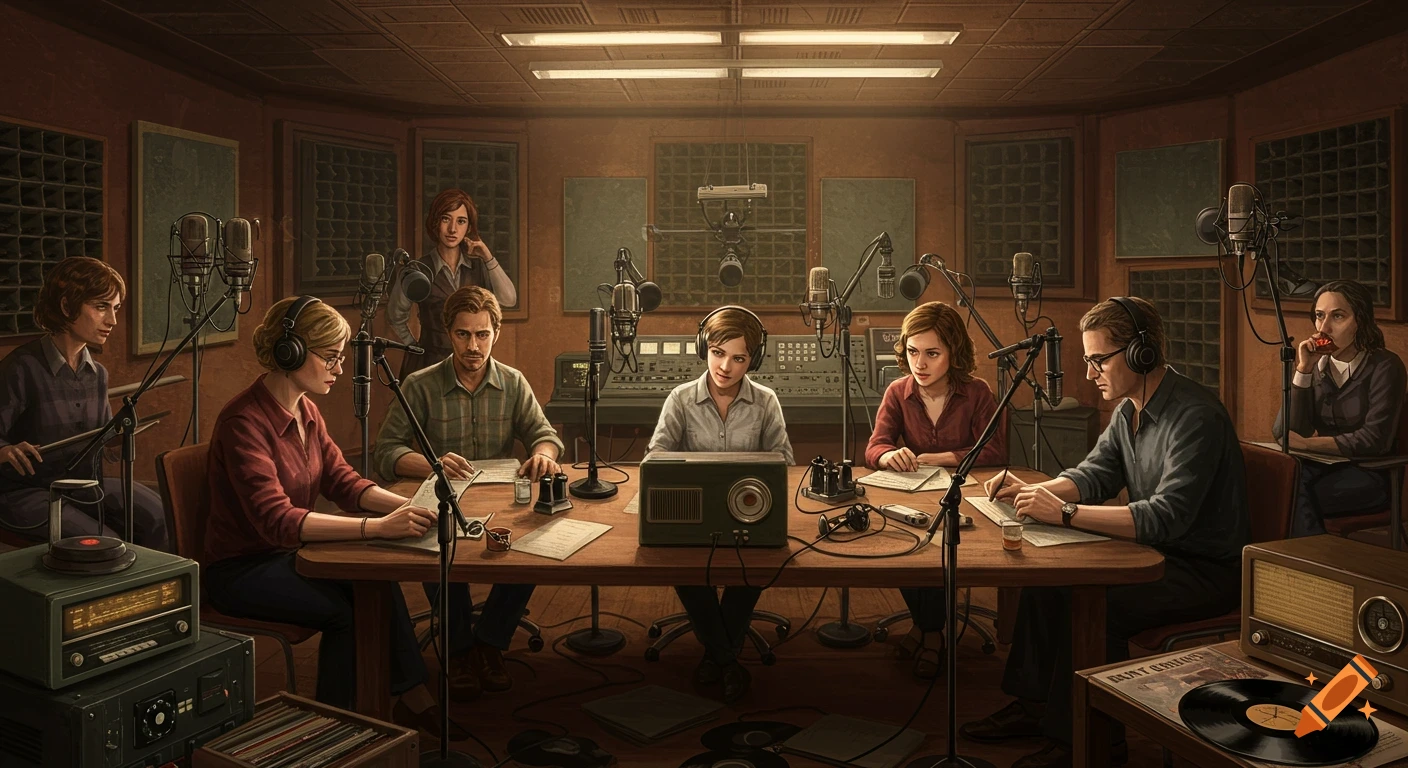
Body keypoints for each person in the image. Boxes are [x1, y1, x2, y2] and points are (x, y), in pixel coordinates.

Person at [963, 297, 1249, 768]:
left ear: (1141, 352)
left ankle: (1089, 742)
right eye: (1087, 360)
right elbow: (1094, 474)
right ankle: (1034, 708)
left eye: (1099, 360)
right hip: (1152, 552)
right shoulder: (1128, 410)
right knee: (1047, 579)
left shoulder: (1196, 416)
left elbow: (1166, 517)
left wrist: (1064, 513)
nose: (1090, 372)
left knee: (1096, 605)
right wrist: (1033, 491)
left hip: (1203, 571)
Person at [203, 296, 449, 733]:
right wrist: (378, 528)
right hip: (240, 570)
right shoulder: (244, 422)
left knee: (376, 582)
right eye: (331, 357)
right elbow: (278, 521)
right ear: (290, 351)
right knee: (345, 613)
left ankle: (409, 697)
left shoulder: (306, 410)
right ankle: (333, 725)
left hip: (289, 555)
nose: (339, 368)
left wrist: (413, 507)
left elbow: (343, 482)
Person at [375, 285, 562, 701]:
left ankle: (491, 642)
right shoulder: (420, 384)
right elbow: (385, 452)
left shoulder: (513, 382)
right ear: (448, 333)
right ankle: (458, 650)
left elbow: (545, 435)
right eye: (463, 334)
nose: (473, 346)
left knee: (537, 549)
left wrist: (543, 455)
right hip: (441, 503)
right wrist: (432, 464)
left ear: (496, 333)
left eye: (482, 334)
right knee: (438, 549)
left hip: (500, 506)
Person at [646, 306, 793, 704]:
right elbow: (656, 459)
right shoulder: (680, 399)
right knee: (681, 559)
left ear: (753, 360)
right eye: (717, 353)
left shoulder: (766, 401)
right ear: (703, 348)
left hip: (750, 512)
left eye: (739, 358)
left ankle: (717, 656)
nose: (725, 367)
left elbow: (783, 463)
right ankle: (727, 659)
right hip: (692, 516)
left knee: (759, 560)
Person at [863, 301, 1006, 678]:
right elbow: (875, 446)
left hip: (963, 501)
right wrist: (888, 455)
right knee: (901, 548)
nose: (919, 364)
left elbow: (995, 450)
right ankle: (930, 631)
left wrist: (944, 457)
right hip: (912, 498)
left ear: (953, 352)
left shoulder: (977, 392)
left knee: (940, 551)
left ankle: (926, 632)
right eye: (913, 352)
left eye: (932, 353)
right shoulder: (898, 391)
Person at [0, 257, 167, 549]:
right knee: (106, 543)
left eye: (115, 308)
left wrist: (115, 439)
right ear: (67, 307)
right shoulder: (20, 368)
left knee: (160, 517)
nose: (112, 320)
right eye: (101, 307)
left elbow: (100, 441)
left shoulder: (97, 373)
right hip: (29, 493)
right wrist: (6, 450)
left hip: (86, 484)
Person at [1273, 279, 1406, 537]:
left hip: (1370, 473)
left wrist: (1307, 445)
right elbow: (1286, 431)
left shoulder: (1385, 366)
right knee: (1279, 482)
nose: (1324, 328)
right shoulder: (1316, 366)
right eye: (1319, 316)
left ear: (1360, 321)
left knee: (1292, 493)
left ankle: (1308, 556)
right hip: (1322, 466)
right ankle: (1304, 554)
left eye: (1338, 316)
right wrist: (1303, 370)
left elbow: (1374, 440)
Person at [388, 188, 518, 377]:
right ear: (435, 222)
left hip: (470, 363)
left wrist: (487, 257)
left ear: (469, 227)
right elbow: (395, 315)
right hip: (429, 364)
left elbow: (509, 299)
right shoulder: (417, 269)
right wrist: (413, 346)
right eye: (446, 219)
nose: (452, 229)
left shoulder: (478, 267)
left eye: (461, 221)